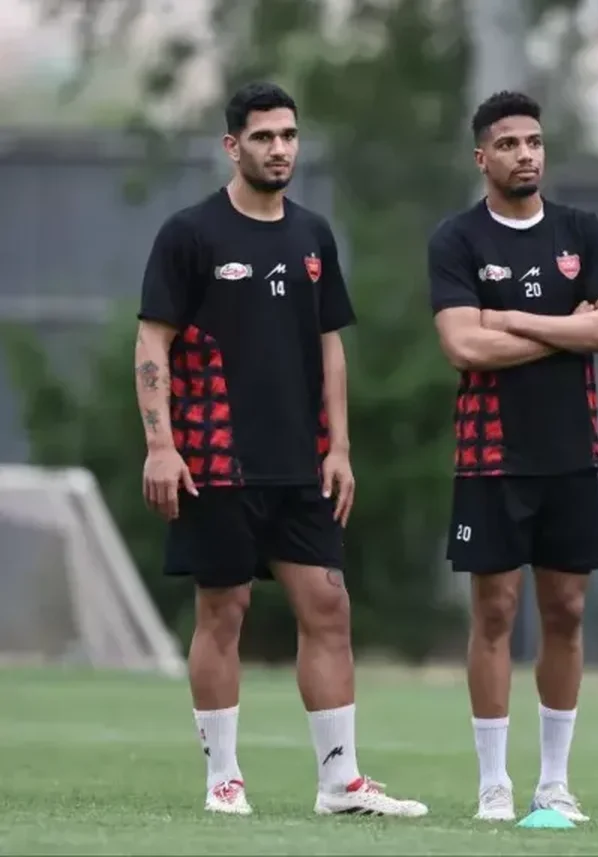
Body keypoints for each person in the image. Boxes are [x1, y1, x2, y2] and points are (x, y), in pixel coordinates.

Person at [134, 81, 427, 819]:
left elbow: (331, 348)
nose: (279, 149)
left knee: (328, 605)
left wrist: (341, 449)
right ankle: (223, 779)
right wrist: (161, 445)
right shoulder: (190, 234)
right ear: (232, 145)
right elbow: (152, 343)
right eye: (263, 136)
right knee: (223, 610)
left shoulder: (313, 236)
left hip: (301, 462)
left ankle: (340, 782)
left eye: (289, 136)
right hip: (214, 459)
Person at [426, 91, 598, 823]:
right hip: (490, 457)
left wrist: (511, 317)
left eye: (534, 142)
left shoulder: (583, 232)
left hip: (571, 454)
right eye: (509, 144)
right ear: (482, 157)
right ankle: (494, 784)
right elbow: (463, 345)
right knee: (495, 611)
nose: (525, 155)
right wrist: (565, 328)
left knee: (566, 611)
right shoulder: (457, 239)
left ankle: (553, 783)